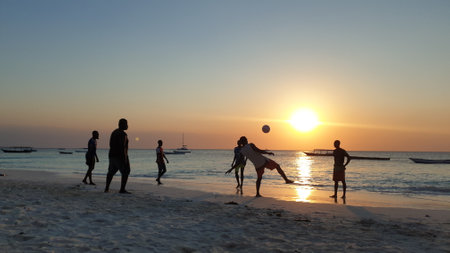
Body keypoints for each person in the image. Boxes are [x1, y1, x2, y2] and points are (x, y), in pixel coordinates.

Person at [104, 118, 131, 194]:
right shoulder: (122, 134)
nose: (127, 125)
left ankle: (106, 188)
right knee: (126, 171)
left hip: (112, 155)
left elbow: (111, 144)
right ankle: (122, 189)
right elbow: (122, 147)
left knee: (111, 172)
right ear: (122, 125)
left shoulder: (114, 132)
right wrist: (124, 158)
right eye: (126, 124)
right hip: (119, 156)